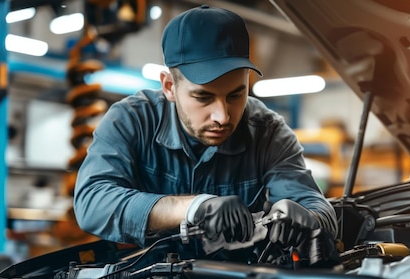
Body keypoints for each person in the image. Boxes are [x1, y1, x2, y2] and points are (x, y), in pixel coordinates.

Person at [73, 4, 337, 259]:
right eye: (203, 97)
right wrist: (194, 207)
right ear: (169, 87)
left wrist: (307, 218)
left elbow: (318, 209)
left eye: (236, 95)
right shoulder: (132, 120)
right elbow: (93, 202)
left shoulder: (267, 131)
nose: (222, 117)